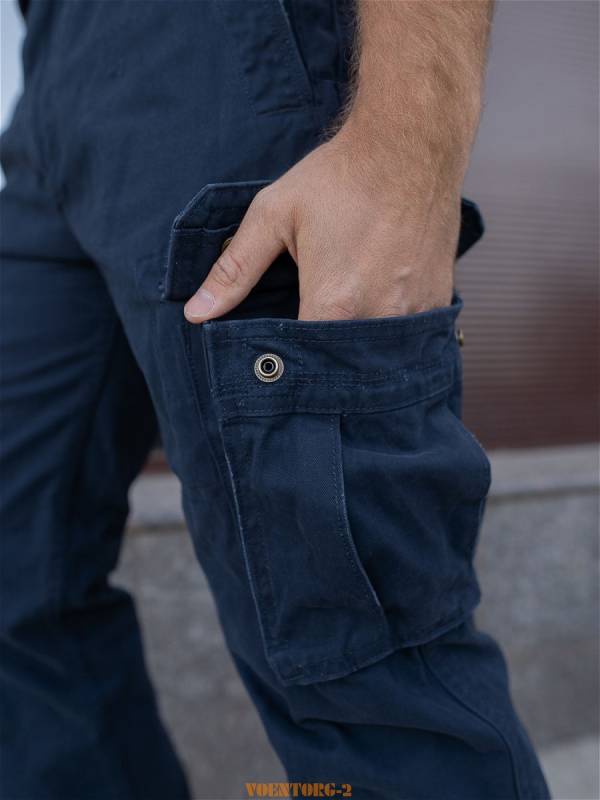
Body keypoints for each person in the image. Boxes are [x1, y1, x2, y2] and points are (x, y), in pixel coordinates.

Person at [0, 1, 550, 798]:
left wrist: (408, 153)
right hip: (50, 78)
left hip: (229, 48)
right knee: (19, 588)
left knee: (351, 653)